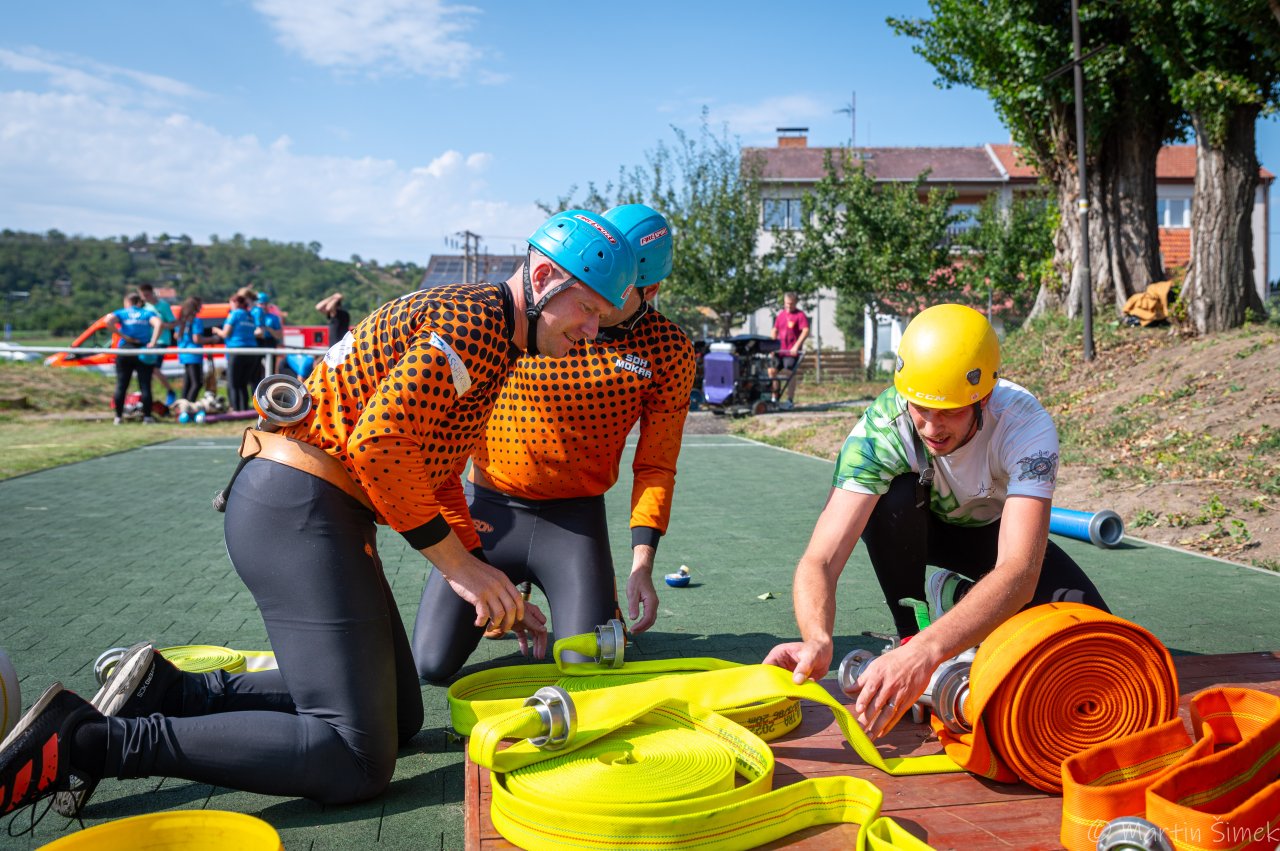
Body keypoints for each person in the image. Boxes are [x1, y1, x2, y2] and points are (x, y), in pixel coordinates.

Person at [0, 209, 637, 817]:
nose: (592, 331)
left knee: (400, 715)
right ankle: (88, 743)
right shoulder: (475, 326)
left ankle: (174, 692)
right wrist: (462, 570)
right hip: (298, 507)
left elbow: (434, 469)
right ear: (546, 278)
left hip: (310, 503)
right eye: (588, 310)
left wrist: (477, 570)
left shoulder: (491, 331)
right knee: (355, 759)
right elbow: (381, 446)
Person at [762, 304, 1109, 740]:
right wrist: (817, 638)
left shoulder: (1026, 426)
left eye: (950, 411)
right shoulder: (882, 427)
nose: (931, 426)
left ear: (983, 399)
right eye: (921, 408)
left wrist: (932, 651)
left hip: (994, 536)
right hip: (917, 527)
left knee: (1095, 639)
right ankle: (911, 633)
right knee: (892, 498)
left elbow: (1019, 572)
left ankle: (951, 601)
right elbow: (821, 559)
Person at [413, 205, 694, 679]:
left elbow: (656, 465)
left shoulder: (667, 348)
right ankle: (518, 592)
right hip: (490, 507)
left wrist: (641, 563)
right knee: (432, 664)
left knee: (589, 664)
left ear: (650, 290)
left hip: (573, 520)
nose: (595, 317)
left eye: (615, 295)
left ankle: (592, 597)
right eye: (592, 294)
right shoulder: (532, 317)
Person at [103, 293, 162, 425]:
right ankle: (147, 417)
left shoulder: (122, 313)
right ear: (139, 302)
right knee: (145, 385)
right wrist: (153, 342)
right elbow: (158, 324)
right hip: (143, 351)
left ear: (127, 302)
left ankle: (118, 417)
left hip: (125, 350)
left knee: (121, 385)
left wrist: (123, 335)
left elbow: (107, 321)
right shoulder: (147, 313)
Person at [213, 293, 258, 411]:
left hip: (236, 351)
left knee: (233, 383)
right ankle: (244, 409)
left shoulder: (234, 314)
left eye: (230, 302)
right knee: (243, 384)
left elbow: (225, 333)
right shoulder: (250, 315)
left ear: (236, 303)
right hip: (252, 352)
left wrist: (216, 330)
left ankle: (236, 410)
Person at [137, 283, 178, 406]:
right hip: (146, 341)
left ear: (152, 293)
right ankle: (146, 396)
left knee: (154, 368)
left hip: (160, 341)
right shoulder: (144, 307)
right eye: (143, 296)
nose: (145, 298)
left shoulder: (163, 305)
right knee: (145, 370)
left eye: (147, 295)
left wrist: (160, 325)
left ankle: (170, 391)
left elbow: (173, 323)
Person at [768, 291, 809, 409]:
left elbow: (805, 330)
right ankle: (774, 398)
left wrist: (796, 346)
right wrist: (771, 346)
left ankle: (789, 400)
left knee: (789, 373)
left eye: (791, 304)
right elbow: (774, 330)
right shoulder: (781, 315)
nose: (788, 306)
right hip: (779, 351)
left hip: (791, 352)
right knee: (771, 371)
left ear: (795, 303)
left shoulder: (800, 315)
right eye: (786, 303)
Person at [174, 296, 214, 402]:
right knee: (197, 383)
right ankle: (188, 406)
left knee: (188, 383)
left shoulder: (181, 321)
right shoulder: (196, 321)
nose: (202, 307)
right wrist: (213, 339)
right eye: (200, 305)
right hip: (194, 354)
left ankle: (182, 405)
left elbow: (176, 336)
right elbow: (197, 339)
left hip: (183, 353)